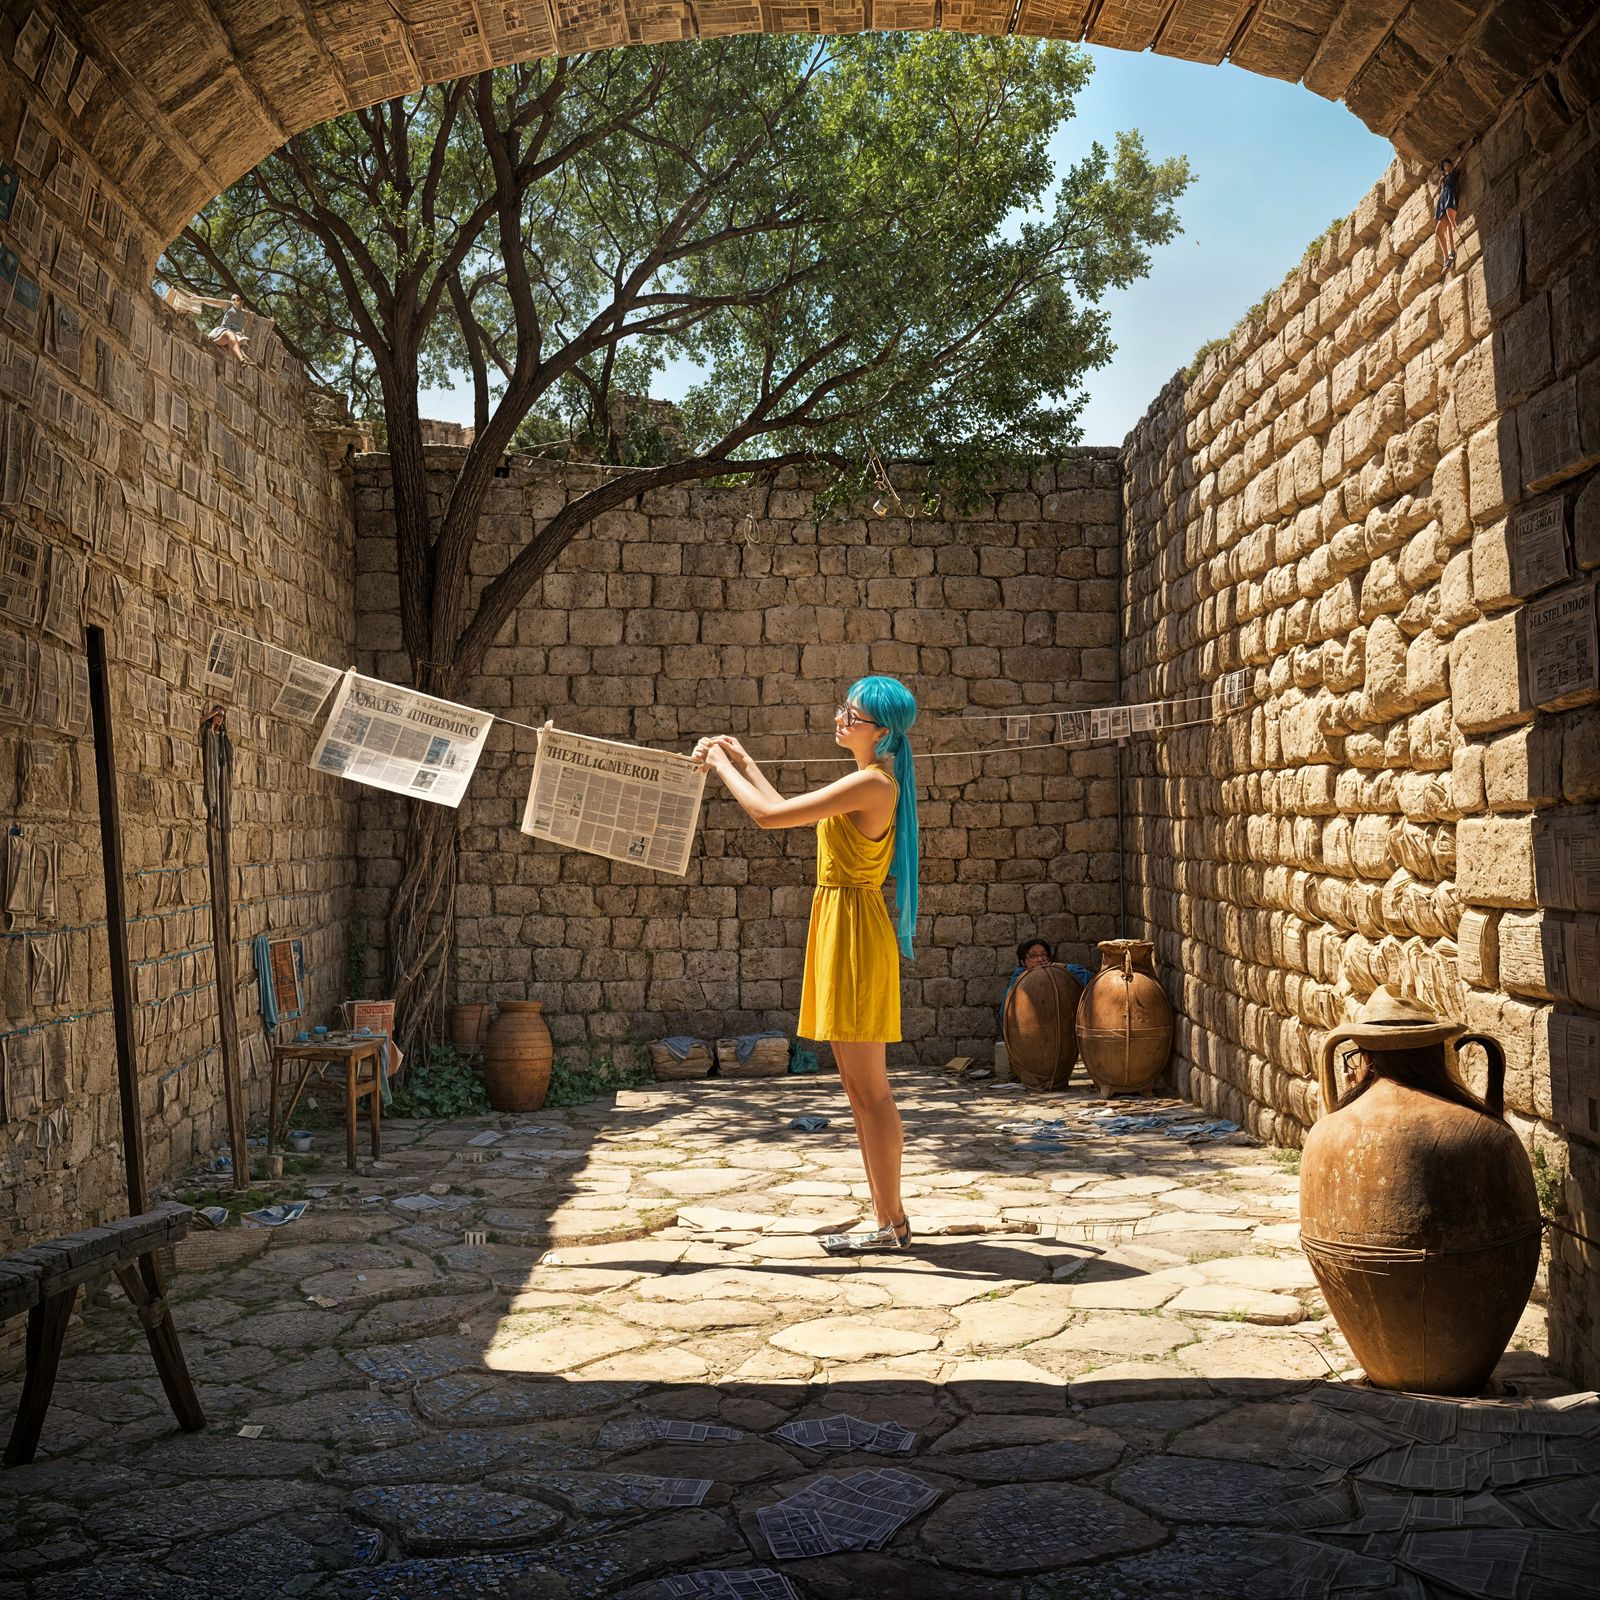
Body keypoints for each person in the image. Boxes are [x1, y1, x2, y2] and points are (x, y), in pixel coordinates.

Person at [694, 676, 919, 1253]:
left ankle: (892, 1223)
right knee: (856, 1090)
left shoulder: (872, 783)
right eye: (844, 708)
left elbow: (768, 818)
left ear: (881, 733)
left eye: (853, 715)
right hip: (842, 927)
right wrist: (745, 761)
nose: (841, 719)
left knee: (872, 1092)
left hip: (855, 935)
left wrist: (720, 767)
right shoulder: (864, 780)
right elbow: (783, 810)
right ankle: (886, 1221)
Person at [204, 293, 251, 363]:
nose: (235, 301)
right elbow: (214, 301)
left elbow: (251, 321)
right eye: (233, 299)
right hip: (223, 332)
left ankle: (236, 352)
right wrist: (198, 298)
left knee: (245, 341)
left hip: (236, 335)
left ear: (242, 301)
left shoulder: (245, 313)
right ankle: (242, 360)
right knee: (230, 335)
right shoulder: (228, 305)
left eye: (237, 299)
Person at [1434, 159, 1459, 271]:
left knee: (1449, 223)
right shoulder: (1443, 178)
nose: (1446, 166)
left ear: (1451, 164)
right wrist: (1440, 182)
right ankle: (1446, 257)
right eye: (1444, 165)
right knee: (1438, 231)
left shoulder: (1453, 172)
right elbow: (1439, 190)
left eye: (1447, 164)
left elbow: (1459, 162)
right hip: (1444, 201)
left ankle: (1452, 250)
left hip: (1450, 197)